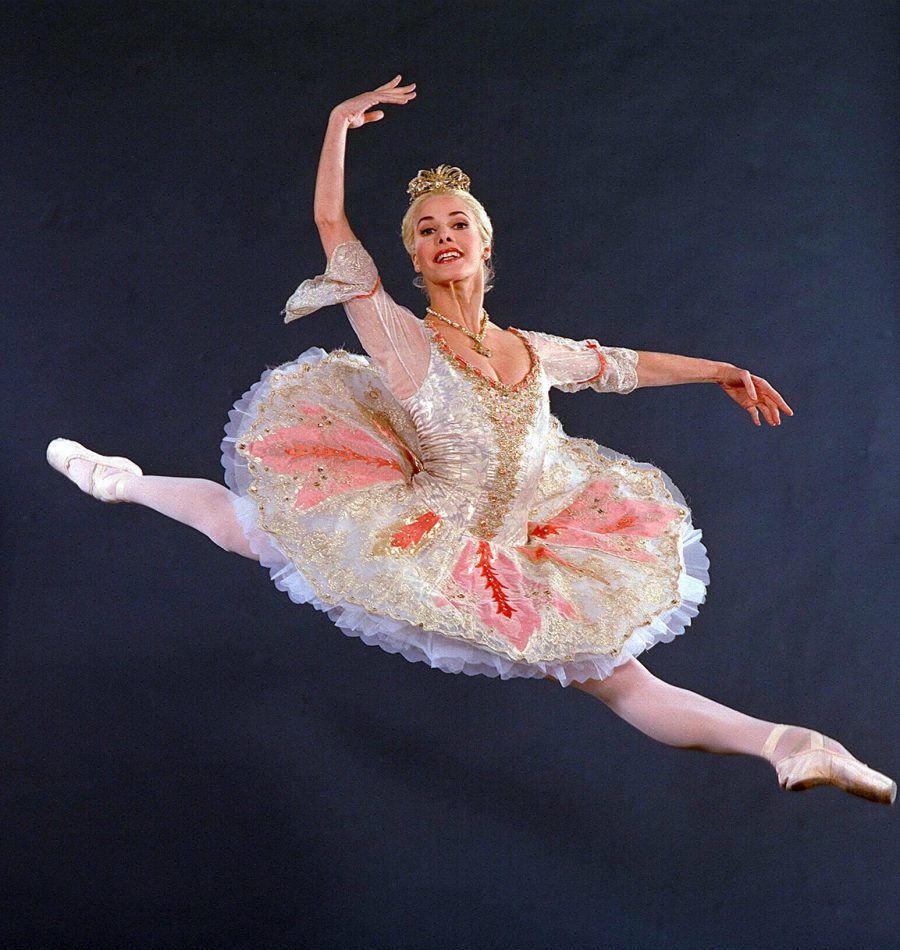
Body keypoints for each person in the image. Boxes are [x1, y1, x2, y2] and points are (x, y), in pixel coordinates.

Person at [47, 76, 894, 805]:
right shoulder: (401, 339)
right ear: (414, 257)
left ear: (485, 242)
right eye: (424, 230)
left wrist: (720, 370)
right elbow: (332, 225)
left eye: (457, 223)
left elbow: (620, 365)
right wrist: (339, 126)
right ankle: (117, 480)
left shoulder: (535, 350)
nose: (442, 236)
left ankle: (790, 742)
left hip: (530, 543)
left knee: (624, 681)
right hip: (424, 530)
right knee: (246, 525)